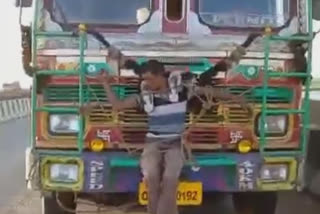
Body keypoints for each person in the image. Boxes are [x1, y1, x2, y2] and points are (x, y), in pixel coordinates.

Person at [82, 55, 251, 214]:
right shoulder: (145, 97)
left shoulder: (182, 92)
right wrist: (105, 83)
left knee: (170, 181)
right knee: (152, 180)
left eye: (149, 79)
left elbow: (212, 93)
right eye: (144, 79)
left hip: (175, 143)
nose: (145, 83)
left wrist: (239, 99)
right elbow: (118, 105)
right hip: (153, 143)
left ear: (160, 76)